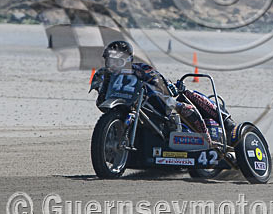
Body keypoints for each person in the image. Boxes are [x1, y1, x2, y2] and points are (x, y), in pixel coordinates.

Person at [95, 41, 233, 142]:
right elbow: (100, 100)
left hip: (154, 103)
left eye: (116, 61)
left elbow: (159, 81)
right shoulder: (104, 74)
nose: (112, 65)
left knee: (187, 101)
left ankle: (218, 129)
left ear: (127, 60)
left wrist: (169, 87)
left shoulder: (141, 68)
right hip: (125, 106)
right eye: (109, 61)